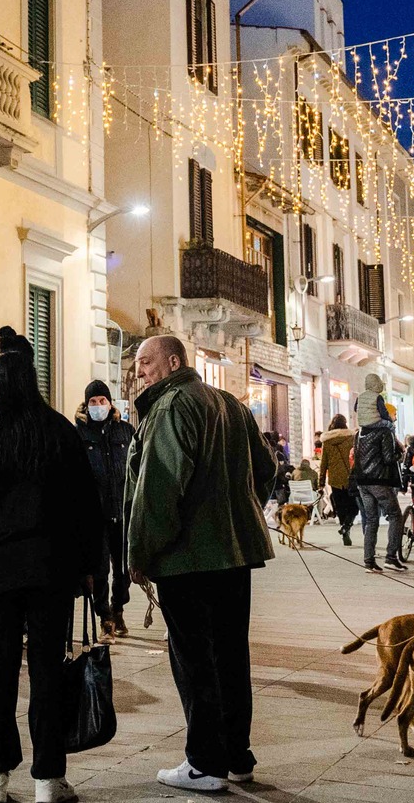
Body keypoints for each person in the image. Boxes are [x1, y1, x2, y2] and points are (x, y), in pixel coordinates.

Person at [0, 329, 105, 803]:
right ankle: (47, 780)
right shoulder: (57, 428)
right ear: (33, 374)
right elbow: (86, 507)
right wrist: (92, 569)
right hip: (50, 569)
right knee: (45, 670)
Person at [125, 334, 276, 793]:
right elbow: (265, 470)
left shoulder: (172, 407)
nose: (140, 372)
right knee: (231, 654)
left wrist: (140, 551)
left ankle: (205, 763)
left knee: (195, 660)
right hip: (234, 553)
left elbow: (160, 488)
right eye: (137, 365)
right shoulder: (229, 404)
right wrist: (239, 515)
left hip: (188, 558)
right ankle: (236, 755)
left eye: (146, 362)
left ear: (172, 361)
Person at [75, 378, 136, 639]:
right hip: (94, 514)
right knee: (99, 569)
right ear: (86, 405)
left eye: (102, 401)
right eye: (93, 402)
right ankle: (105, 616)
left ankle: (118, 606)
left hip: (122, 510)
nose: (98, 405)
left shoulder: (125, 431)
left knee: (123, 567)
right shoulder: (79, 433)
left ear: (110, 403)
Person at [349, 397, 406, 573]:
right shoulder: (384, 432)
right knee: (396, 515)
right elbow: (389, 458)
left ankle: (369, 561)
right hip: (380, 480)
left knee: (371, 519)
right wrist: (400, 455)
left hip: (362, 482)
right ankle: (391, 557)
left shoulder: (360, 433)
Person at [319, 413, 358, 545]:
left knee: (341, 507)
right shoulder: (352, 438)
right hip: (351, 477)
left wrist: (320, 482)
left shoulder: (327, 441)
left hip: (335, 478)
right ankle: (346, 526)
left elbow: (323, 463)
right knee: (354, 505)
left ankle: (344, 529)